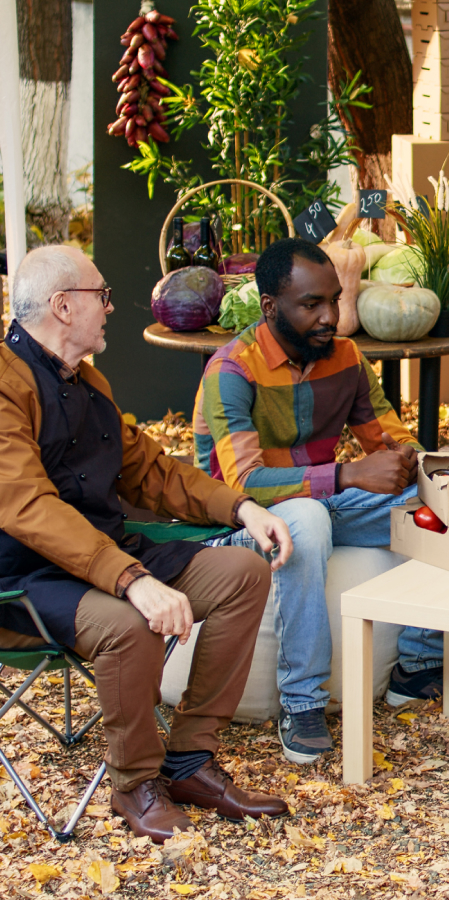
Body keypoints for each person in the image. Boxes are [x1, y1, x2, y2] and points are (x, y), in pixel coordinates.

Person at [0, 246, 295, 843]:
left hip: (108, 554)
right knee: (127, 624)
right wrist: (133, 581)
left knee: (243, 572)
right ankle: (134, 783)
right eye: (101, 295)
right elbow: (27, 506)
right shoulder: (4, 384)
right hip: (25, 580)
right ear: (63, 306)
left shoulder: (87, 379)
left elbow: (149, 470)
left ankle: (188, 760)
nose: (110, 308)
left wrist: (240, 507)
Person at [193, 238, 444, 765]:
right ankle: (302, 702)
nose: (330, 315)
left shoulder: (346, 358)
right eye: (312, 305)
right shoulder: (230, 371)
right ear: (270, 307)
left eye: (334, 299)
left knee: (438, 498)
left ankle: (418, 663)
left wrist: (421, 465)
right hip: (238, 521)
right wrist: (350, 473)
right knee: (304, 518)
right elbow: (244, 483)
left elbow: (389, 435)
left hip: (322, 503)